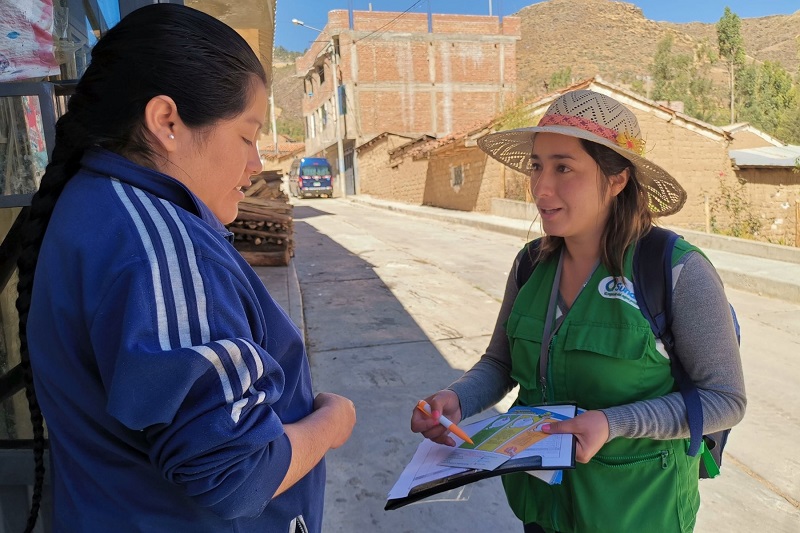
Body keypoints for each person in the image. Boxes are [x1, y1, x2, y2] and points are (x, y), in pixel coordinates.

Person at [16, 4, 355, 532]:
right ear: (167, 123)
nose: (255, 165)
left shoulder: (101, 207)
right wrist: (331, 423)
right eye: (246, 136)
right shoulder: (159, 246)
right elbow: (236, 471)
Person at [410, 89, 746, 533]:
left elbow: (725, 399)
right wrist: (457, 399)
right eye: (536, 165)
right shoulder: (530, 265)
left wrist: (612, 423)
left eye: (563, 167)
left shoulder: (675, 271)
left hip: (638, 512)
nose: (541, 187)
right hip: (542, 510)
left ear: (617, 179)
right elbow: (500, 363)